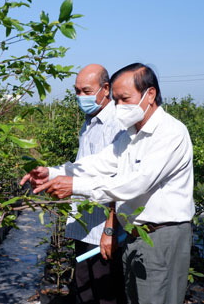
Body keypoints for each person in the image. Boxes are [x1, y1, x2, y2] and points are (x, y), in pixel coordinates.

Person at [21, 63, 195, 304]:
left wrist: (75, 186)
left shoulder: (171, 133)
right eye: (116, 100)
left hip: (162, 237)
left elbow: (136, 183)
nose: (119, 107)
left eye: (124, 99)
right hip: (135, 235)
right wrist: (50, 173)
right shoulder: (130, 135)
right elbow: (98, 163)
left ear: (150, 94)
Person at [66, 64, 126, 304]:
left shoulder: (116, 125)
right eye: (77, 91)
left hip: (102, 232)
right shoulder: (89, 122)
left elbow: (118, 182)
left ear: (105, 89)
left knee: (106, 294)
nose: (81, 97)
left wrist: (109, 231)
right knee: (84, 290)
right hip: (84, 225)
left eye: (86, 91)